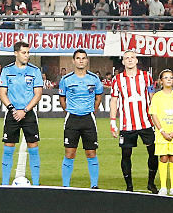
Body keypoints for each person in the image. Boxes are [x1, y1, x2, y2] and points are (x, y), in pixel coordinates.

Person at [57, 49, 108, 189]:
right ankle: (66, 186)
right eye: (78, 58)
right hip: (72, 119)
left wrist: (92, 110)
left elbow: (98, 97)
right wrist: (69, 110)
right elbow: (62, 99)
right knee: (69, 153)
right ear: (73, 61)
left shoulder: (94, 79)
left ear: (87, 61)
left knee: (91, 152)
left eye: (83, 58)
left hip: (88, 119)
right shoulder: (66, 79)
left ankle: (94, 185)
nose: (81, 60)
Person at [108, 50, 157, 193]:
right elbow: (114, 101)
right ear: (123, 62)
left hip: (146, 122)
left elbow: (152, 97)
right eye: (126, 58)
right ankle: (129, 186)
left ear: (136, 60)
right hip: (127, 124)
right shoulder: (117, 79)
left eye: (132, 57)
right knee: (126, 154)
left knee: (153, 152)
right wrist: (112, 122)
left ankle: (151, 183)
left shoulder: (146, 76)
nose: (129, 60)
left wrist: (156, 118)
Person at [0, 41, 44, 185]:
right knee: (8, 148)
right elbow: (2, 93)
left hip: (28, 113)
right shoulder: (7, 70)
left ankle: (36, 184)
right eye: (24, 53)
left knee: (33, 148)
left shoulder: (34, 71)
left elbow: (38, 94)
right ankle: (4, 184)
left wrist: (24, 111)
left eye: (28, 53)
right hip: (12, 113)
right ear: (16, 53)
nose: (27, 55)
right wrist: (13, 110)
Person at [149, 68, 173, 197]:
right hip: (162, 134)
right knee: (164, 158)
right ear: (161, 81)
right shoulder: (157, 96)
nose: (169, 80)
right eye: (166, 78)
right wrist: (162, 131)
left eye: (171, 77)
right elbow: (154, 115)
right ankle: (163, 187)